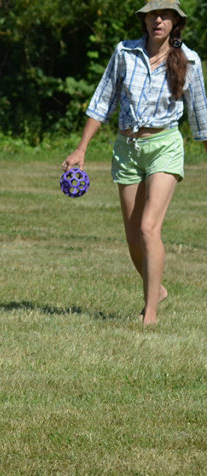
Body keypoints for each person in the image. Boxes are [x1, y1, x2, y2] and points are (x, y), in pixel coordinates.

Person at [63, 0, 207, 326]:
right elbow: (102, 101)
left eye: (165, 15)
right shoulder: (125, 53)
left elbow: (201, 119)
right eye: (152, 14)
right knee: (133, 238)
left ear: (175, 21)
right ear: (144, 20)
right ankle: (159, 289)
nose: (158, 20)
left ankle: (150, 313)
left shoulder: (190, 60)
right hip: (127, 147)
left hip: (164, 146)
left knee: (148, 228)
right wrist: (81, 149)